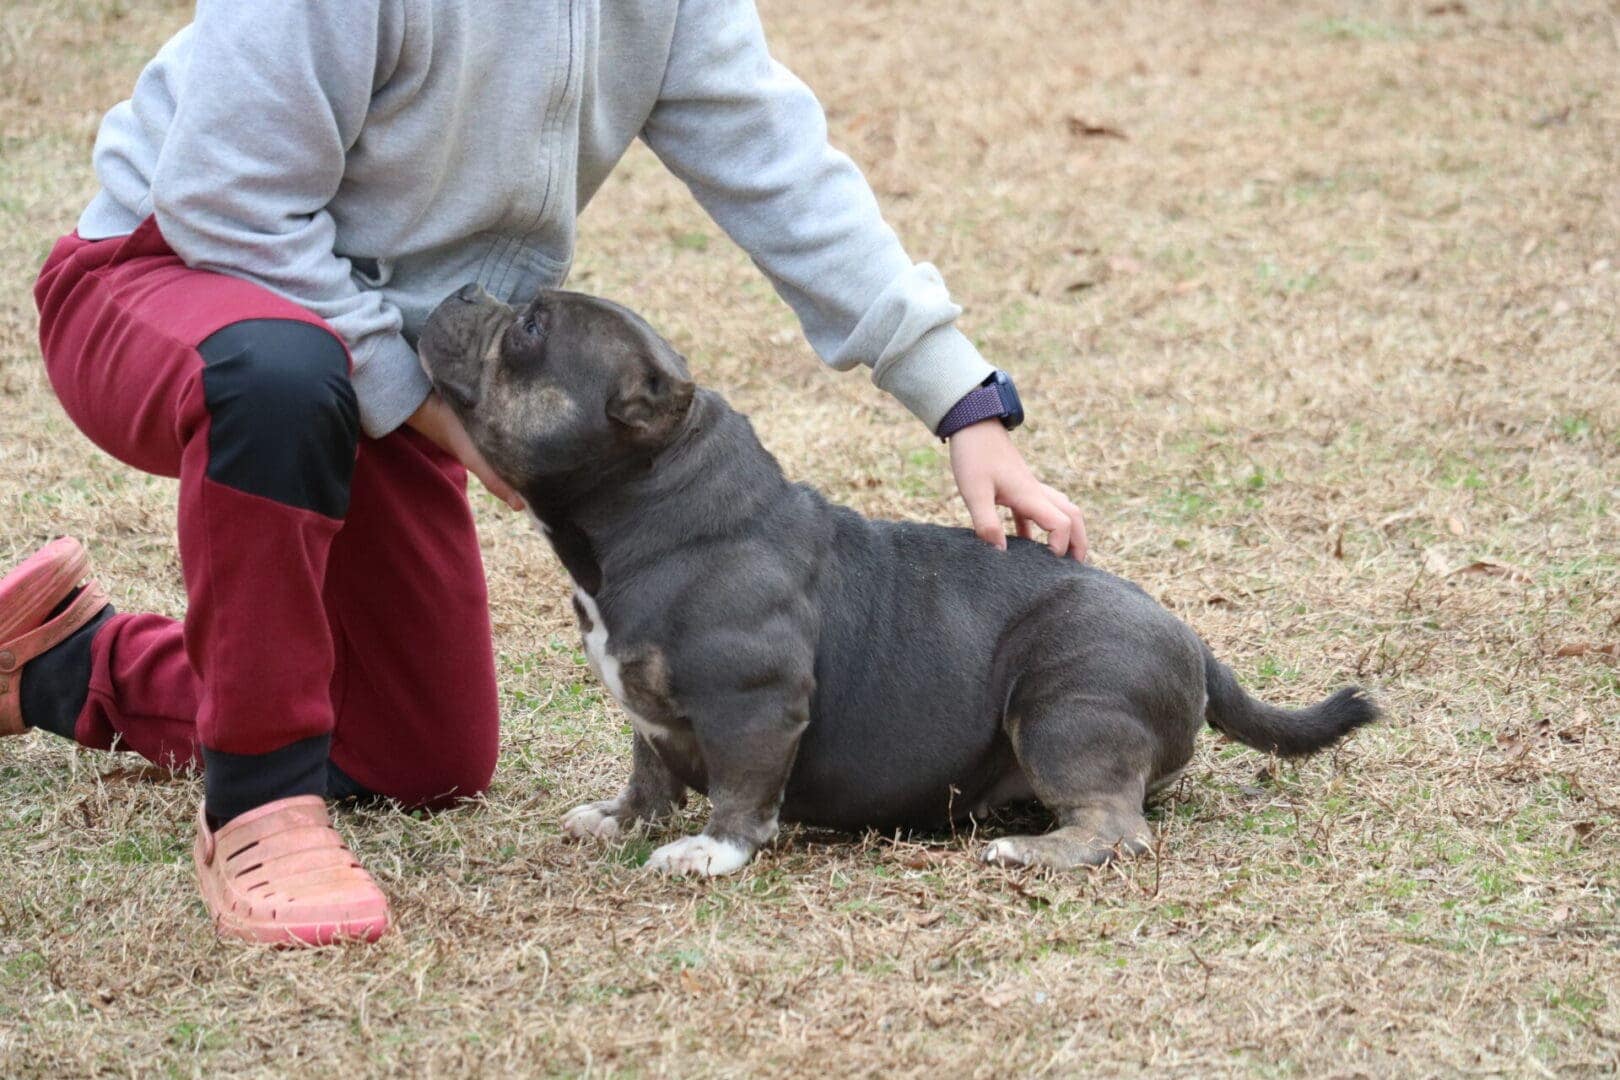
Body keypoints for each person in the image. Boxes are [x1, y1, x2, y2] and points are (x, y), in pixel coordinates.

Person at [8, 1, 1088, 946]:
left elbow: (782, 168)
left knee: (418, 757)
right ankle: (260, 808)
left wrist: (962, 400)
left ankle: (61, 665)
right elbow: (224, 203)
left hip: (379, 354)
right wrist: (429, 408)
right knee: (283, 378)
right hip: (175, 278)